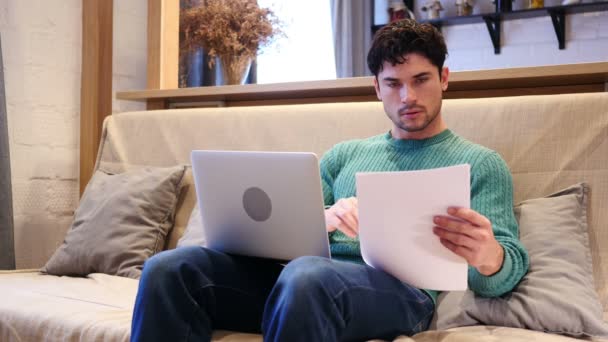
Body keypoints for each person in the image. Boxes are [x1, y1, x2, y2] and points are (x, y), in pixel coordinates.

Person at [130, 19, 529, 342]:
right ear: (377, 88)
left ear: (444, 78)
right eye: (393, 84)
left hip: (402, 295)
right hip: (301, 284)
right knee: (171, 269)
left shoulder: (480, 162)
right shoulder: (343, 156)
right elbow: (290, 237)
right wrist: (325, 217)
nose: (407, 96)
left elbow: (502, 273)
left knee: (307, 276)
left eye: (421, 80)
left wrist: (488, 255)